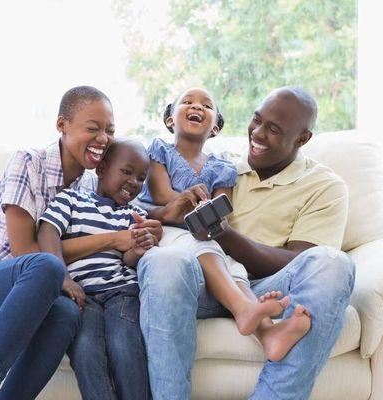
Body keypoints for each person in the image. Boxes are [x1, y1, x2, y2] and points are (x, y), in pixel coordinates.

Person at [137, 86, 356, 400]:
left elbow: (300, 260)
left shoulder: (324, 186)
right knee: (164, 261)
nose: (258, 133)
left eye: (273, 129)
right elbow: (146, 199)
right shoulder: (224, 169)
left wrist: (223, 234)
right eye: (256, 121)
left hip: (269, 289)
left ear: (302, 139)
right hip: (199, 286)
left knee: (334, 264)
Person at [0, 86, 126, 400]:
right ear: (63, 126)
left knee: (66, 314)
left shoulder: (89, 185)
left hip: (42, 288)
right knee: (47, 266)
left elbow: (62, 249)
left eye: (110, 131)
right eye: (93, 128)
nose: (103, 138)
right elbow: (25, 250)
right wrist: (63, 275)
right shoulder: (29, 162)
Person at [138, 87, 297, 344]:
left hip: (203, 234)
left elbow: (221, 210)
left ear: (215, 128)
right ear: (170, 120)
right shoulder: (160, 151)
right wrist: (190, 208)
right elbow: (161, 196)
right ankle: (245, 310)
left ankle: (266, 329)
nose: (197, 107)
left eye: (207, 106)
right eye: (187, 102)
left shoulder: (221, 166)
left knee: (234, 265)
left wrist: (209, 218)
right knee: (205, 248)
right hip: (166, 227)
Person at [37, 140, 156, 400]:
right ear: (101, 169)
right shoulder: (71, 199)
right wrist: (64, 279)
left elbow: (129, 260)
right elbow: (47, 233)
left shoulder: (134, 214)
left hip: (122, 293)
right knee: (86, 351)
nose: (134, 182)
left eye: (140, 178)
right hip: (80, 295)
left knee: (125, 348)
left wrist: (138, 248)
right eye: (126, 172)